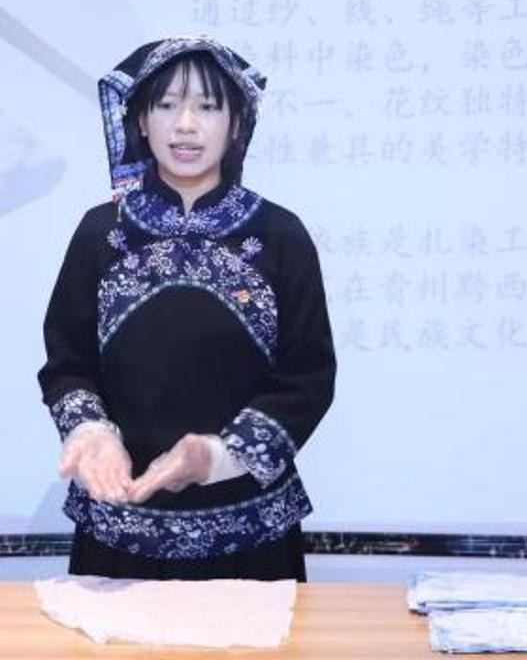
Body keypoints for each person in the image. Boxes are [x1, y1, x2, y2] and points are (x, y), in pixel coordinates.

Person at [37, 36, 336, 581]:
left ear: (237, 124)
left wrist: (214, 457)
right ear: (141, 121)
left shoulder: (280, 235)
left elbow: (307, 380)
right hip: (119, 530)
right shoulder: (100, 234)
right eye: (168, 105)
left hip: (252, 540)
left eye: (207, 106)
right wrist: (92, 433)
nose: (186, 125)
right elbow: (67, 366)